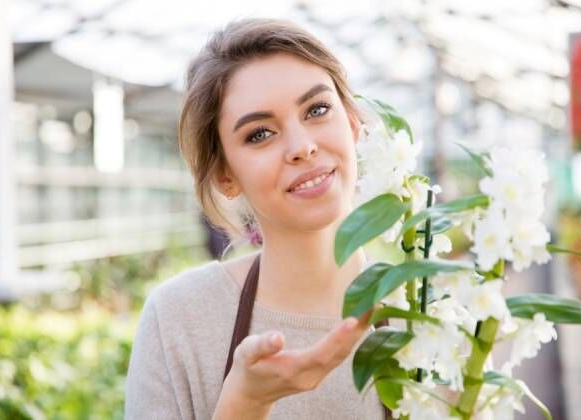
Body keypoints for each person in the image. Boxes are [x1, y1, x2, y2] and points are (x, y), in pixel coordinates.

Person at [125, 17, 386, 419]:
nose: (302, 147)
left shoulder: (431, 316)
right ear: (225, 176)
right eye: (260, 134)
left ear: (352, 123)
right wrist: (244, 403)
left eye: (317, 109)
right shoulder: (179, 321)